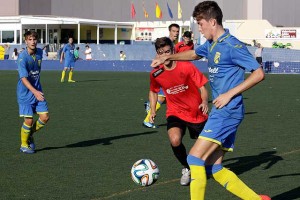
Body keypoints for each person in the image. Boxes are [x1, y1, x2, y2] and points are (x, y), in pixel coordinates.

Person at [150, 1, 270, 200]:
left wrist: (229, 93)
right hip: (222, 111)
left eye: (201, 24)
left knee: (194, 159)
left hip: (228, 110)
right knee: (215, 167)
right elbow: (195, 54)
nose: (199, 28)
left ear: (212, 22)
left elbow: (259, 73)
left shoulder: (232, 45)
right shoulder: (212, 44)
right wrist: (166, 58)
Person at [149, 37, 209, 186]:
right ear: (157, 54)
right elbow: (153, 91)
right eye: (161, 52)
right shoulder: (156, 73)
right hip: (175, 112)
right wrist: (152, 110)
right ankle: (187, 168)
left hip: (196, 113)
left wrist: (204, 101)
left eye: (167, 51)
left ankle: (209, 166)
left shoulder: (186, 66)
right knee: (175, 140)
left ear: (173, 50)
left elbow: (202, 87)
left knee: (206, 149)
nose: (164, 55)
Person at [17, 30, 50, 154]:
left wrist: (37, 91)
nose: (32, 42)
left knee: (45, 117)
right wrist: (34, 91)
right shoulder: (22, 58)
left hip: (37, 91)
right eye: (29, 39)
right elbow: (23, 78)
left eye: (34, 39)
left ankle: (29, 134)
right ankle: (24, 144)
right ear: (26, 41)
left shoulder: (40, 52)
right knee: (29, 121)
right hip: (25, 93)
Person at [143, 23, 180, 128]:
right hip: (163, 73)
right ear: (169, 31)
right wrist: (158, 66)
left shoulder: (175, 43)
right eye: (174, 31)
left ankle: (150, 106)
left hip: (170, 73)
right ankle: (148, 120)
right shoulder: (167, 43)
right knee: (164, 96)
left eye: (177, 31)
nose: (176, 33)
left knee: (169, 96)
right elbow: (158, 57)